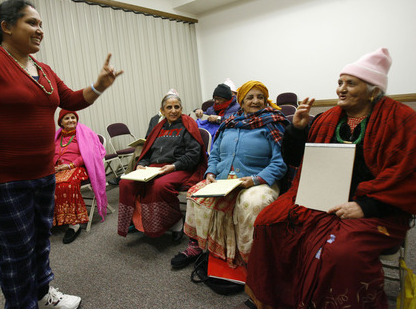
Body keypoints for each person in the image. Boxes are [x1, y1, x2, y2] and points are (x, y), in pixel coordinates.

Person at [0, 0, 122, 309]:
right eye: (32, 23)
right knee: (17, 252)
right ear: (5, 27)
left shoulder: (42, 70)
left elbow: (70, 98)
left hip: (44, 174)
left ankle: (44, 295)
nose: (40, 30)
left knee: (41, 242)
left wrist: (98, 86)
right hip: (3, 180)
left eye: (41, 24)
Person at [242, 48, 416, 309]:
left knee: (339, 251)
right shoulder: (327, 119)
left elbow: (405, 177)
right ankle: (279, 299)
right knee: (270, 222)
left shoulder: (402, 120)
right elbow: (294, 159)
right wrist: (298, 129)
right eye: (339, 83)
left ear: (373, 90)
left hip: (375, 207)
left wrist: (365, 206)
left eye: (350, 83)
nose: (341, 89)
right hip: (320, 197)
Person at [171, 81, 288, 269]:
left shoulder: (274, 123)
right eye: (250, 97)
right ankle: (196, 246)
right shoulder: (229, 123)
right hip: (225, 178)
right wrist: (210, 172)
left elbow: (280, 161)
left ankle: (251, 259)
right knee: (195, 193)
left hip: (259, 180)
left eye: (260, 97)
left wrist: (255, 180)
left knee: (252, 204)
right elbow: (215, 154)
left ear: (266, 101)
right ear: (241, 102)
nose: (255, 101)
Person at [117, 93, 208, 240]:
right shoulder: (158, 127)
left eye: (176, 107)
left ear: (182, 108)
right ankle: (135, 220)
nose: (173, 110)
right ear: (162, 110)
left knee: (159, 186)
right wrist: (141, 164)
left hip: (180, 167)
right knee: (126, 183)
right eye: (169, 107)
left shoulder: (188, 125)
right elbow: (147, 151)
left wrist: (173, 166)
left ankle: (176, 222)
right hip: (153, 168)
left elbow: (194, 155)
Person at [53, 110, 107, 244]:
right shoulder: (57, 136)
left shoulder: (84, 134)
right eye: (67, 118)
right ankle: (55, 219)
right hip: (58, 168)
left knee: (66, 184)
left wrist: (71, 165)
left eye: (73, 117)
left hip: (78, 167)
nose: (71, 120)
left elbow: (89, 154)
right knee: (43, 183)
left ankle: (74, 224)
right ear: (61, 122)